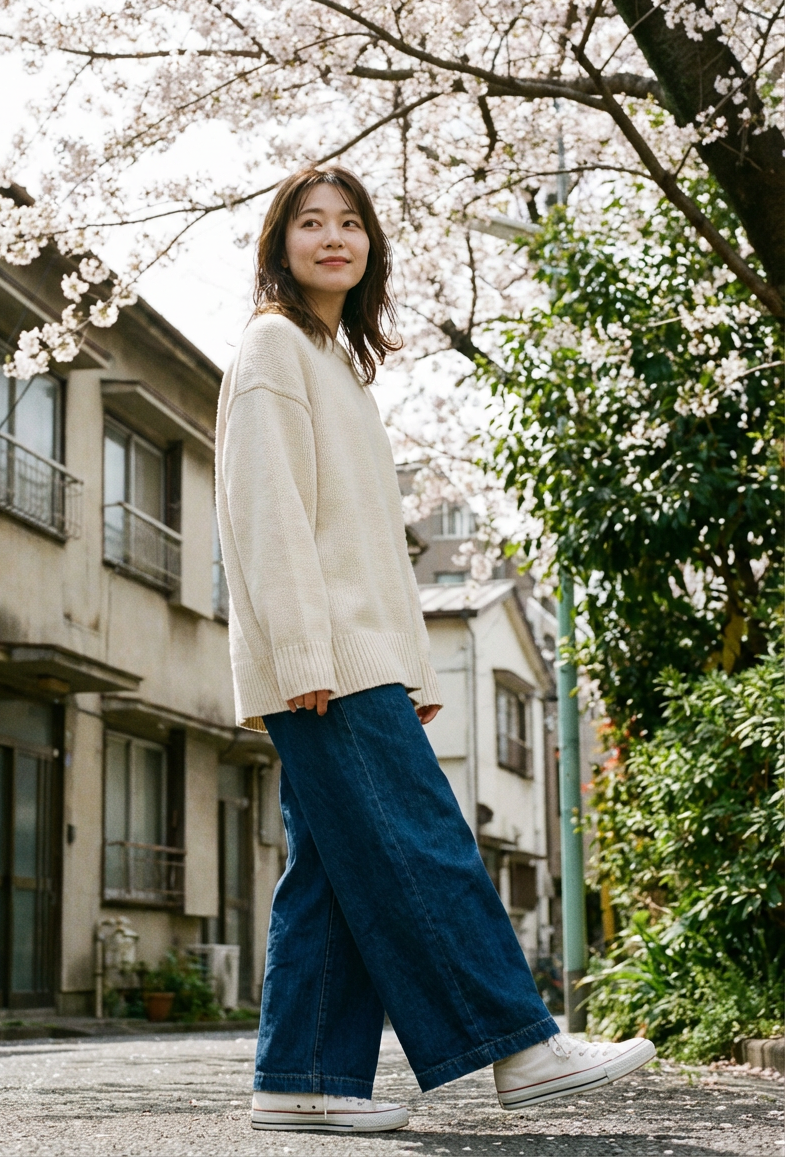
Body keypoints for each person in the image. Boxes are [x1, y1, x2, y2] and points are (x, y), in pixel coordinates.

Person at [214, 165, 654, 1134]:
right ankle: (518, 1046)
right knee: (422, 845)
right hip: (323, 663)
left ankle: (303, 1079)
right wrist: (303, 656)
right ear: (278, 244)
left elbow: (366, 543)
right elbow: (265, 514)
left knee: (333, 871)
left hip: (357, 657)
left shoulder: (333, 363)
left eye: (350, 223)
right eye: (309, 222)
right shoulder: (272, 347)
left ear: (370, 245)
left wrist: (408, 668)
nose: (333, 237)